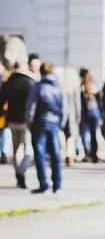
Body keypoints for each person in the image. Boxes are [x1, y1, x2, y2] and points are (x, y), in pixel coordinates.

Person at [26, 62, 65, 194]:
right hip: (54, 124)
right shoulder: (59, 88)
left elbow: (32, 107)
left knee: (40, 155)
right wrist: (61, 124)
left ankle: (44, 185)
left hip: (40, 123)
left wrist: (29, 123)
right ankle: (57, 184)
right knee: (55, 155)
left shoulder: (38, 87)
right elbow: (64, 109)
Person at [0, 56, 37, 188]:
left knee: (17, 148)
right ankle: (21, 170)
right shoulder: (31, 82)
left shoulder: (8, 82)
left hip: (12, 120)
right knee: (29, 149)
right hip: (26, 121)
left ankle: (18, 173)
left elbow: (2, 101)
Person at [79, 69, 102, 163]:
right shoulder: (95, 85)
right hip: (95, 112)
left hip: (86, 113)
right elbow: (100, 102)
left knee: (84, 133)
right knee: (93, 134)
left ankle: (87, 152)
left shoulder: (82, 86)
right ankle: (94, 153)